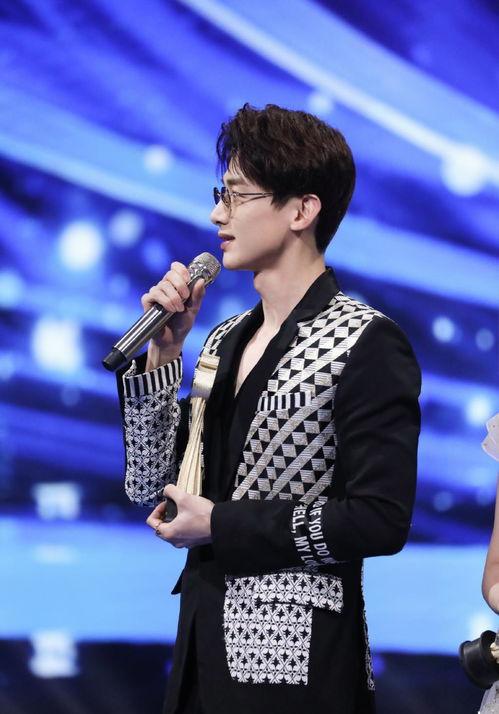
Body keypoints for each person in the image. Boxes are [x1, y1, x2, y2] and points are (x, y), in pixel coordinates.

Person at [116, 103, 421, 714]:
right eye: (220, 194)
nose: (217, 214)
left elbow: (380, 519)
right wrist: (163, 356)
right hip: (201, 650)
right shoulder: (223, 338)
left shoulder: (364, 341)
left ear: (302, 211)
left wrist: (222, 525)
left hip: (297, 667)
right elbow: (151, 486)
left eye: (236, 195)